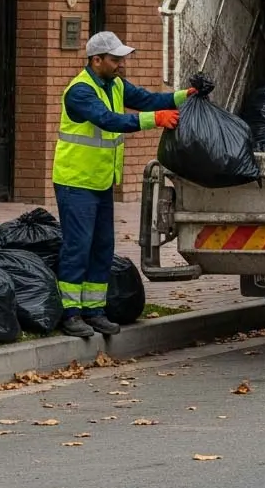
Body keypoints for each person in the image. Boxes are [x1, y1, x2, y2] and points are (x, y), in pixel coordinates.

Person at [51, 31, 194, 339]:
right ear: (96, 60)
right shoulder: (80, 91)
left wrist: (186, 95)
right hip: (75, 182)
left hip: (100, 182)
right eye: (115, 59)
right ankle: (70, 313)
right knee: (78, 247)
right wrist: (154, 120)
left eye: (121, 59)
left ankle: (94, 311)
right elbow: (108, 120)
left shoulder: (115, 84)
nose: (121, 64)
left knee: (102, 247)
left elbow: (148, 99)